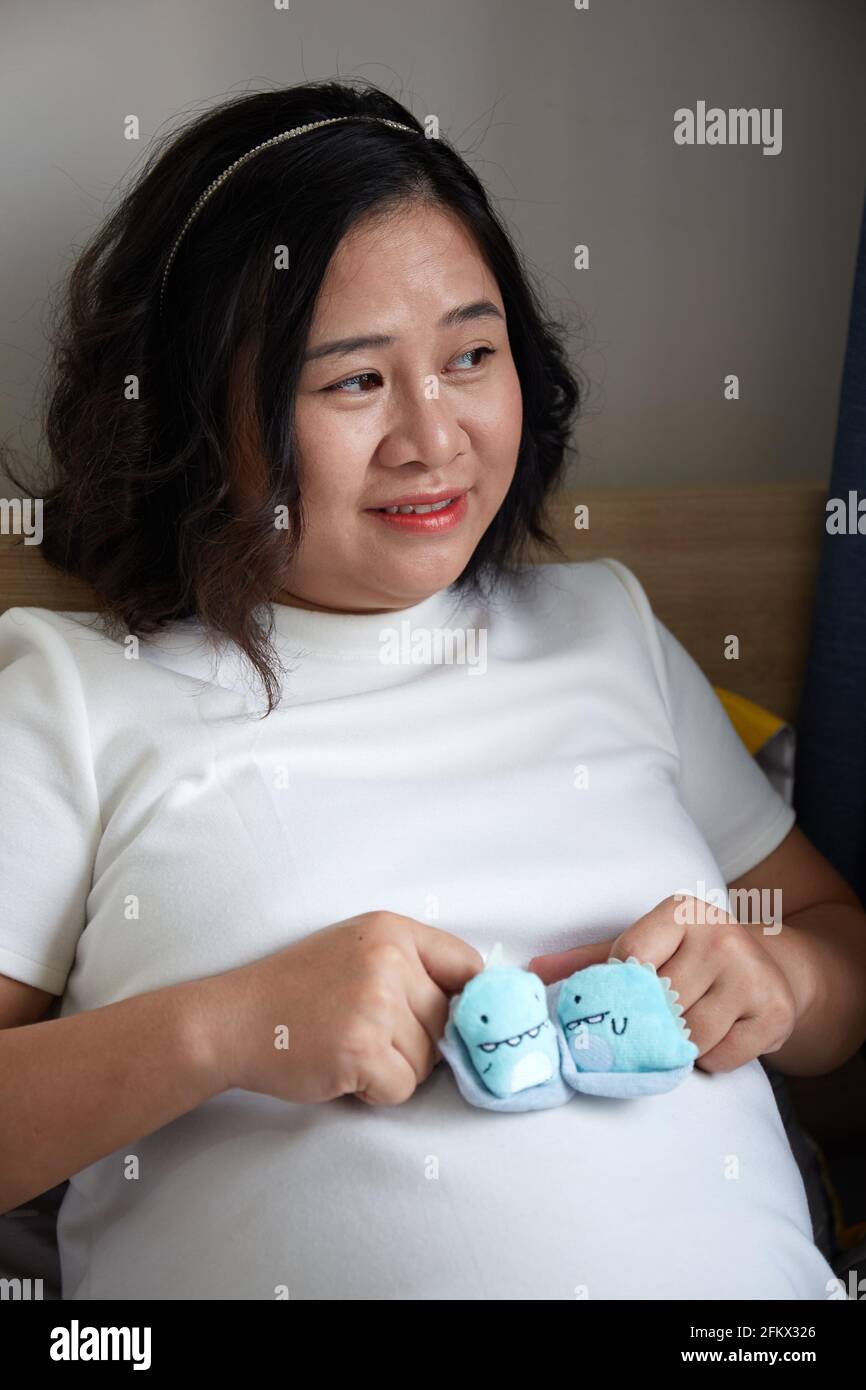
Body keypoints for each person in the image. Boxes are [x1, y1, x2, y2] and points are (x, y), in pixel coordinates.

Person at [1, 80, 863, 1301]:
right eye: (353, 383)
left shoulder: (601, 621)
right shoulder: (77, 689)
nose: (434, 435)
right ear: (203, 415)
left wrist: (779, 981)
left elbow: (835, 952)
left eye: (470, 355)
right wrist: (232, 1028)